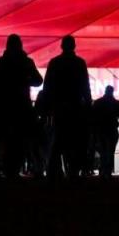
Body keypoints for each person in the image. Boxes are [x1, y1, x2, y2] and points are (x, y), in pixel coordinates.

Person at [0, 35, 43, 178]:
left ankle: (1, 168)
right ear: (20, 45)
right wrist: (25, 79)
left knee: (2, 139)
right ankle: (14, 169)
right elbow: (38, 81)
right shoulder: (27, 63)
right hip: (21, 107)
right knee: (19, 140)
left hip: (2, 107)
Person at [42, 36, 92, 179]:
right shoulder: (80, 63)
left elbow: (47, 87)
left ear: (61, 46)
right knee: (75, 141)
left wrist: (46, 108)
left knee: (57, 140)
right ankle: (73, 171)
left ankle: (54, 171)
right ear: (74, 46)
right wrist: (88, 105)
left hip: (59, 107)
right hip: (75, 107)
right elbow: (85, 87)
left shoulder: (55, 63)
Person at [91, 86, 119, 178]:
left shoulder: (98, 102)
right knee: (110, 151)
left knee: (103, 151)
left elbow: (92, 118)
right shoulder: (116, 103)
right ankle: (107, 170)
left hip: (101, 130)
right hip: (112, 129)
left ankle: (103, 169)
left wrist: (93, 132)